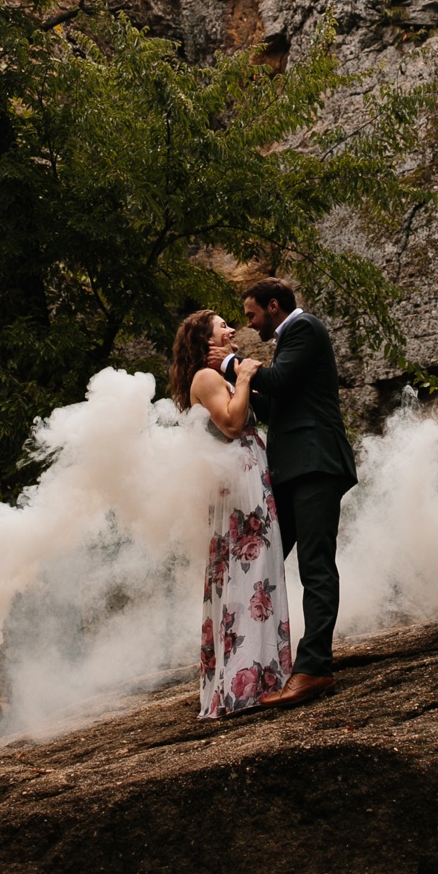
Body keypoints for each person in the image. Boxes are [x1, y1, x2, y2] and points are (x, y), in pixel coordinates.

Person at [170, 308, 293, 721]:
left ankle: (261, 675)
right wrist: (242, 378)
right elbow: (231, 422)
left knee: (259, 573)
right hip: (239, 486)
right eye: (224, 325)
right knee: (250, 573)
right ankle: (248, 682)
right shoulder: (206, 379)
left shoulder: (215, 377)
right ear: (206, 340)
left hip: (248, 478)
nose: (233, 329)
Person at [243, 277, 355, 710]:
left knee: (315, 566)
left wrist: (237, 363)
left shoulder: (304, 327)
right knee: (264, 562)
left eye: (253, 314)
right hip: (292, 471)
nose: (250, 324)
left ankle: (314, 668)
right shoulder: (289, 339)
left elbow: (279, 379)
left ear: (274, 306)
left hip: (315, 465)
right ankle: (260, 664)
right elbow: (276, 404)